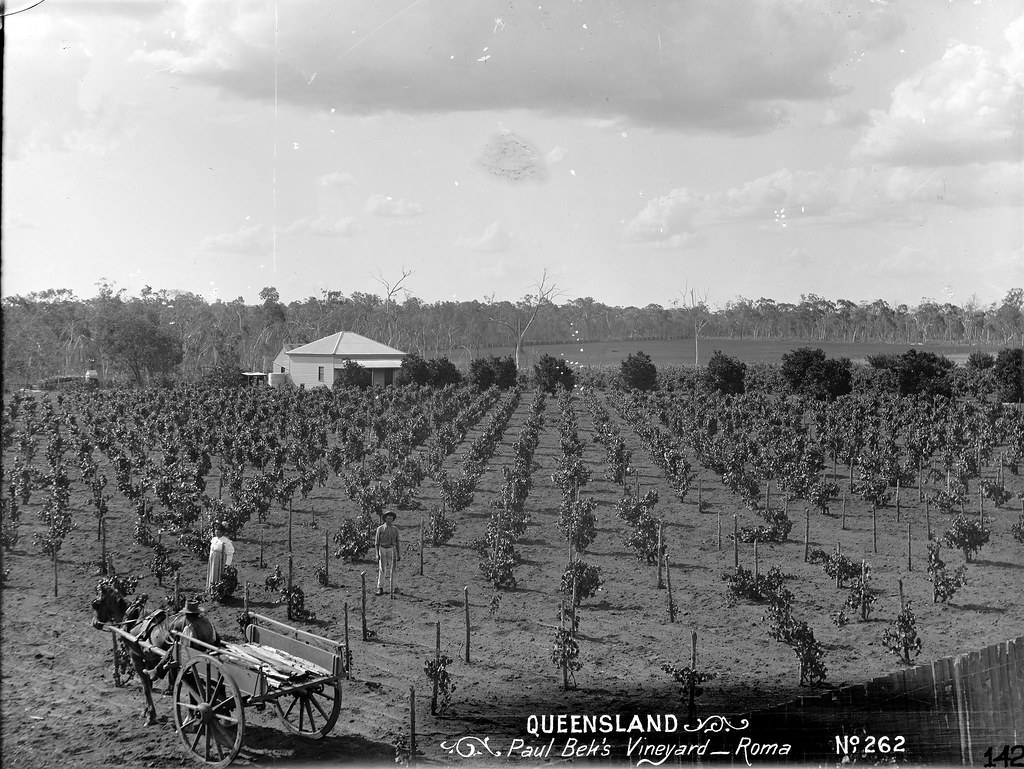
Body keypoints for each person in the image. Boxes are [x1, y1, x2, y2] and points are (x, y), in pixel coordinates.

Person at [143, 599, 219, 681]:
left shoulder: (189, 626)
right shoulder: (206, 621)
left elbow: (185, 645)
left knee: (174, 648)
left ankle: (157, 672)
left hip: (195, 653)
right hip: (210, 649)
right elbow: (215, 637)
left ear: (186, 614)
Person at [374, 510, 401, 596]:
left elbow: (397, 542)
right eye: (388, 518)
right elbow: (377, 542)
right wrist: (377, 554)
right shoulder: (380, 529)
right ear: (385, 519)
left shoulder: (395, 529)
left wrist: (398, 553)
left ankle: (395, 587)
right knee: (382, 569)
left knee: (393, 569)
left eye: (391, 518)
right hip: (382, 549)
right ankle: (380, 588)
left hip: (391, 549)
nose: (389, 520)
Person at [206, 522, 235, 592]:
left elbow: (230, 553)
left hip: (219, 561)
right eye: (215, 531)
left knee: (218, 575)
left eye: (218, 531)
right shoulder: (214, 539)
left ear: (222, 532)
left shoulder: (225, 541)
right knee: (212, 573)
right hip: (213, 560)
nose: (216, 533)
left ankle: (217, 591)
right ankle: (210, 590)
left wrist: (227, 564)